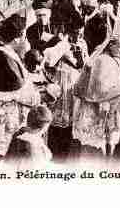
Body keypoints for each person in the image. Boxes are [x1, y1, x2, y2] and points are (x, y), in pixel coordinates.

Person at [0, 14, 40, 166]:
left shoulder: (4, 54)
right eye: (25, 37)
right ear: (18, 38)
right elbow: (23, 93)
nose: (27, 42)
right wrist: (40, 94)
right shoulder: (5, 58)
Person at [72, 37, 120, 156]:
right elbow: (98, 89)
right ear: (110, 45)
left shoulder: (111, 59)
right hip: (98, 104)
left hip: (107, 104)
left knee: (108, 138)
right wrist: (119, 91)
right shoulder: (102, 60)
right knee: (96, 143)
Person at [44, 23, 88, 161]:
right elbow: (48, 62)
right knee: (57, 117)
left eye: (80, 33)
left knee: (69, 117)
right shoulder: (60, 43)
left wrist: (79, 54)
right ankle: (54, 152)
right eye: (75, 32)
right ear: (69, 32)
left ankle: (64, 153)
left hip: (72, 84)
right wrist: (63, 52)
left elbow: (83, 65)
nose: (78, 36)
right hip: (60, 82)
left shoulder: (82, 44)